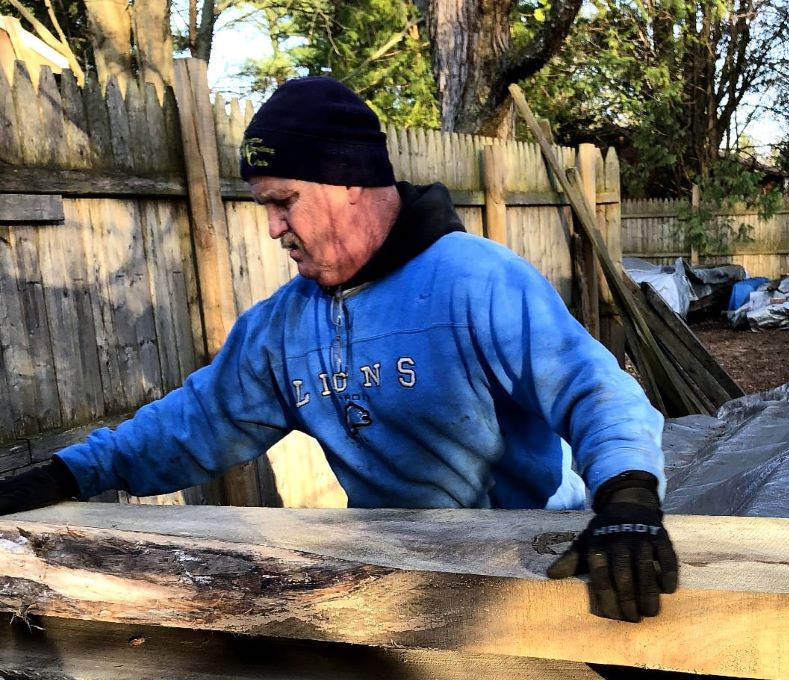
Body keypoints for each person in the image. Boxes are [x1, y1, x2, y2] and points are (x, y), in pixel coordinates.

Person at [0, 77, 677, 622]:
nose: (271, 228)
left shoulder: (478, 282)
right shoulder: (282, 331)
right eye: (264, 205)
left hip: (536, 572)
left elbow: (594, 388)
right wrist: (62, 476)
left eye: (283, 201)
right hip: (400, 589)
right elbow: (192, 425)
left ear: (350, 182)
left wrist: (627, 499)